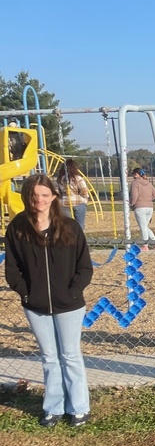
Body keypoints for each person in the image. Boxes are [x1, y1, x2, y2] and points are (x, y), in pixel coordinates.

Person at [4, 173, 93, 427]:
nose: (39, 200)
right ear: (27, 198)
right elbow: (12, 269)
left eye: (44, 195)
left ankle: (78, 408)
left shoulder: (70, 227)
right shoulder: (18, 229)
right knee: (49, 357)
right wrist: (26, 293)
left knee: (71, 355)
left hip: (70, 304)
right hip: (35, 305)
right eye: (33, 195)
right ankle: (53, 408)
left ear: (54, 197)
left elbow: (84, 267)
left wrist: (73, 291)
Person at [129, 167, 155, 250]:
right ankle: (154, 242)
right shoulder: (148, 183)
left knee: (142, 227)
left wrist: (131, 204)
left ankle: (145, 245)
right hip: (149, 207)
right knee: (144, 226)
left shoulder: (135, 183)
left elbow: (134, 196)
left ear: (136, 174)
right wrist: (148, 199)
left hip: (140, 207)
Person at [56, 158, 89, 230]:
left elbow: (57, 192)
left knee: (68, 225)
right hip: (78, 202)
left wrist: (61, 199)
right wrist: (84, 199)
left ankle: (69, 238)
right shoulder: (78, 178)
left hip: (64, 202)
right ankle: (79, 238)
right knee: (80, 224)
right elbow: (84, 191)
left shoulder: (60, 179)